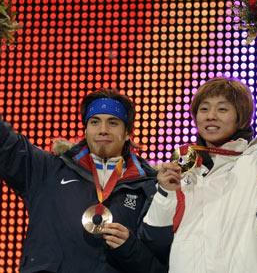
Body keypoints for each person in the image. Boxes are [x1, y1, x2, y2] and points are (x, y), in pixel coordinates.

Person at [140, 8, 257, 273]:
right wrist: (165, 193)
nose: (211, 116)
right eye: (204, 108)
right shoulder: (183, 168)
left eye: (222, 109)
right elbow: (156, 242)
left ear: (240, 117)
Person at [0, 89, 168, 272]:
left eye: (112, 123)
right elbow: (7, 145)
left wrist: (130, 248)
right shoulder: (48, 170)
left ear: (127, 132)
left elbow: (160, 266)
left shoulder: (150, 188)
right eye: (95, 122)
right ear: (86, 129)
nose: (103, 130)